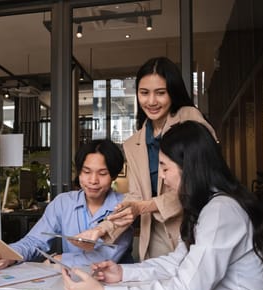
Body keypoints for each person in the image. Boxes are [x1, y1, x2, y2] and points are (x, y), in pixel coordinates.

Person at [62, 121, 263, 290]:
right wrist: (122, 273)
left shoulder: (221, 212)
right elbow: (176, 263)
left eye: (165, 168)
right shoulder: (207, 207)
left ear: (189, 167)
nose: (163, 178)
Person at [74, 56, 217, 261]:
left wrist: (144, 206)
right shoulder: (133, 143)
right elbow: (135, 197)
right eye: (144, 93)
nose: (151, 101)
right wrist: (100, 229)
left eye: (160, 93)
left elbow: (202, 181)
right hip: (154, 239)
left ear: (173, 92)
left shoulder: (188, 118)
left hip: (194, 229)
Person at [0, 139, 133, 270]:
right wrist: (9, 254)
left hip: (114, 285)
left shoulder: (124, 206)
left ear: (113, 176)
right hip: (69, 282)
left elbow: (107, 257)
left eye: (102, 174)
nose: (93, 180)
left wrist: (60, 259)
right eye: (86, 172)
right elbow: (35, 240)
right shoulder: (63, 203)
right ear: (79, 173)